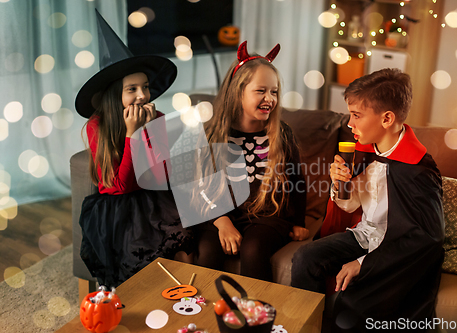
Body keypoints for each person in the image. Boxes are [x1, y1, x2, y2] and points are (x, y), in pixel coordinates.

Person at [291, 68, 445, 332]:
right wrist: (339, 183)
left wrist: (363, 264)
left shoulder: (418, 170)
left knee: (355, 307)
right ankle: (305, 326)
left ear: (386, 118)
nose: (349, 124)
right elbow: (351, 205)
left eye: (356, 116)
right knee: (306, 258)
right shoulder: (365, 151)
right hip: (365, 236)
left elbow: (426, 238)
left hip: (396, 250)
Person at [75, 10, 192, 287]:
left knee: (184, 250)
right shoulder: (98, 126)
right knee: (133, 260)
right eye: (132, 89)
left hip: (155, 199)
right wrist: (133, 135)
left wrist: (151, 132)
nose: (142, 96)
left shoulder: (158, 118)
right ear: (116, 94)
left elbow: (161, 176)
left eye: (146, 87)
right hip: (116, 206)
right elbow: (121, 185)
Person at [193, 41, 309, 282]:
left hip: (267, 215)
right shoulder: (211, 134)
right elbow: (199, 185)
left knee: (253, 250)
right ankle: (202, 309)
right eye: (261, 90)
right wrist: (220, 220)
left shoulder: (282, 133)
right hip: (221, 212)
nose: (270, 98)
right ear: (238, 91)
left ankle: (256, 313)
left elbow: (297, 179)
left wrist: (299, 221)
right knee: (207, 251)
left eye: (274, 91)